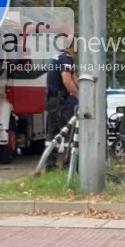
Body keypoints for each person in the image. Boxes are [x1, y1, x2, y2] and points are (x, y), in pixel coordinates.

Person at [44, 36, 78, 170]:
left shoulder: (58, 58)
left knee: (52, 134)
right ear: (73, 45)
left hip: (52, 101)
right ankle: (68, 165)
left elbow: (74, 78)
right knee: (69, 133)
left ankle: (49, 165)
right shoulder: (66, 60)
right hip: (61, 102)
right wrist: (79, 95)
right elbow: (67, 80)